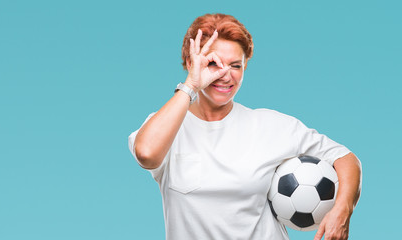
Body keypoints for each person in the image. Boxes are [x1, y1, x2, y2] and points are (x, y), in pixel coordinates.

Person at [128, 13, 361, 240]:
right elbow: (146, 154)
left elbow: (345, 158)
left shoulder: (271, 125)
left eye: (235, 66)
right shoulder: (166, 126)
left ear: (245, 67)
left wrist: (342, 210)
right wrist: (191, 85)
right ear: (191, 63)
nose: (225, 75)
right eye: (213, 63)